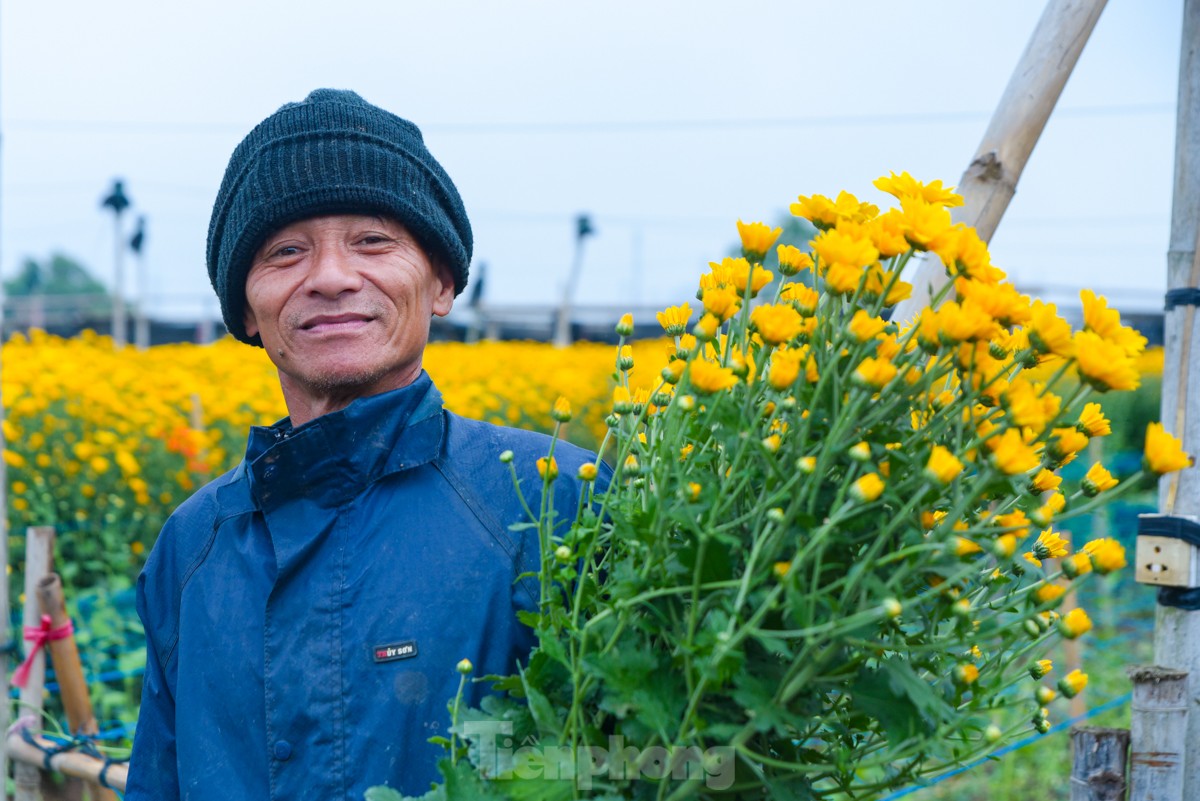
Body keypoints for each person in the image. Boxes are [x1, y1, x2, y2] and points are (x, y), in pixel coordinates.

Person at [126, 89, 607, 800]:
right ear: (247, 310)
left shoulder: (558, 500)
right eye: (286, 251)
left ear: (441, 280)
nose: (329, 277)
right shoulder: (193, 544)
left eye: (372, 241)